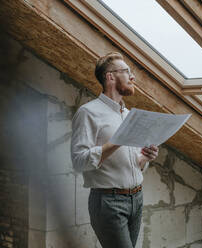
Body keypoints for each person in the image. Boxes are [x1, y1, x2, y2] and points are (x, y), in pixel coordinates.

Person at [70, 52, 159, 248]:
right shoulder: (88, 113)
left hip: (137, 198)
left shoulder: (128, 115)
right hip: (108, 203)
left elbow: (131, 162)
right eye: (127, 72)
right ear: (110, 76)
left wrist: (144, 158)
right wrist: (117, 141)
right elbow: (78, 161)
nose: (133, 77)